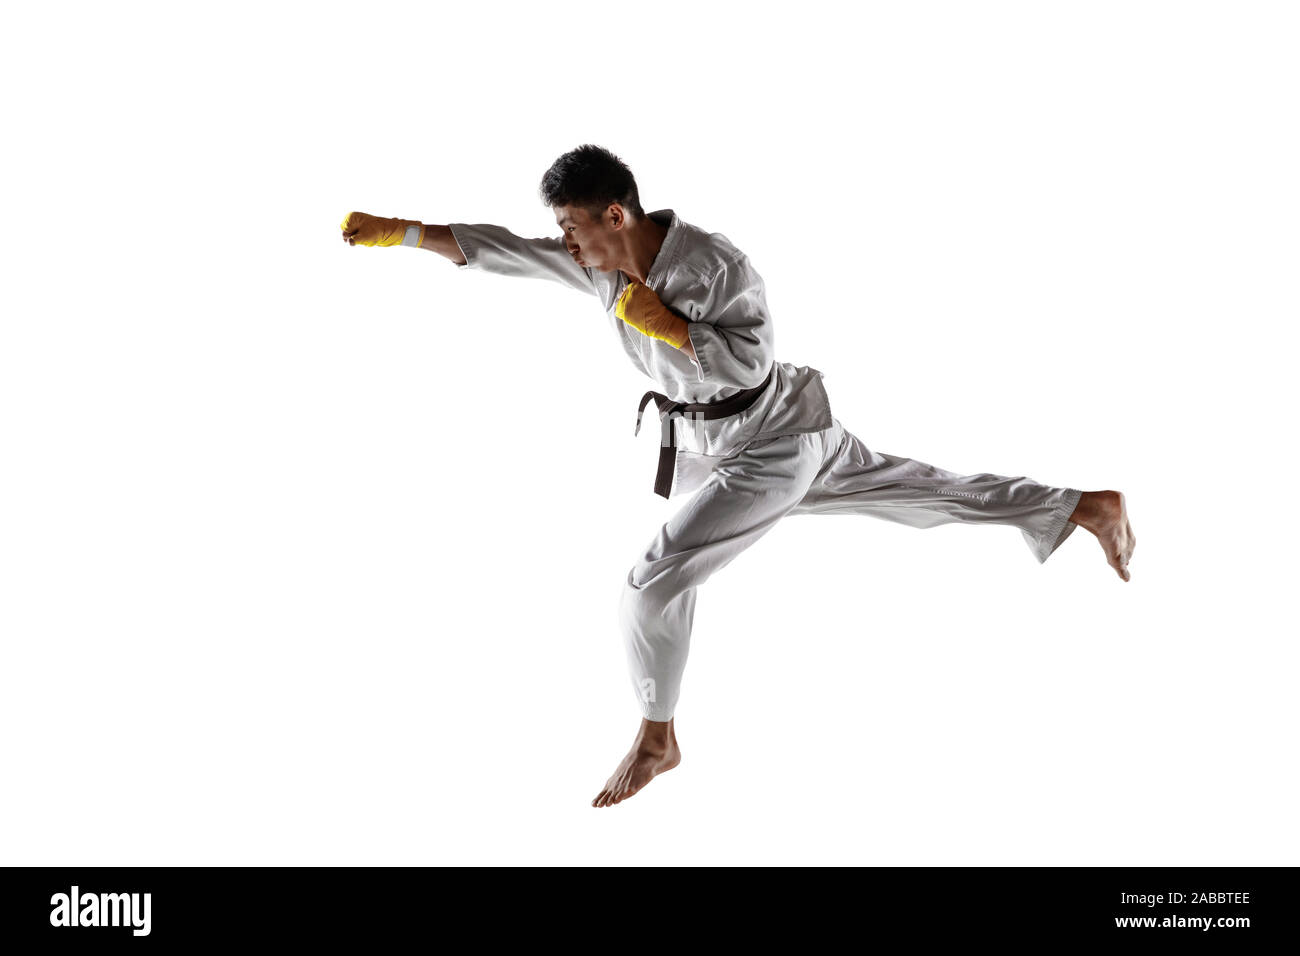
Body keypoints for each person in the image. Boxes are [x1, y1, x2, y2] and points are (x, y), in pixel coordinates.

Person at [339, 144, 1136, 808]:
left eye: (574, 228)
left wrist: (674, 328)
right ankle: (1084, 505)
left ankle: (659, 737)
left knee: (652, 584)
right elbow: (506, 251)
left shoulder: (717, 266)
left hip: (770, 446)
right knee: (926, 491)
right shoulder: (604, 267)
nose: (568, 244)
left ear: (614, 215)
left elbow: (746, 360)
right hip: (789, 427)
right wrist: (403, 232)